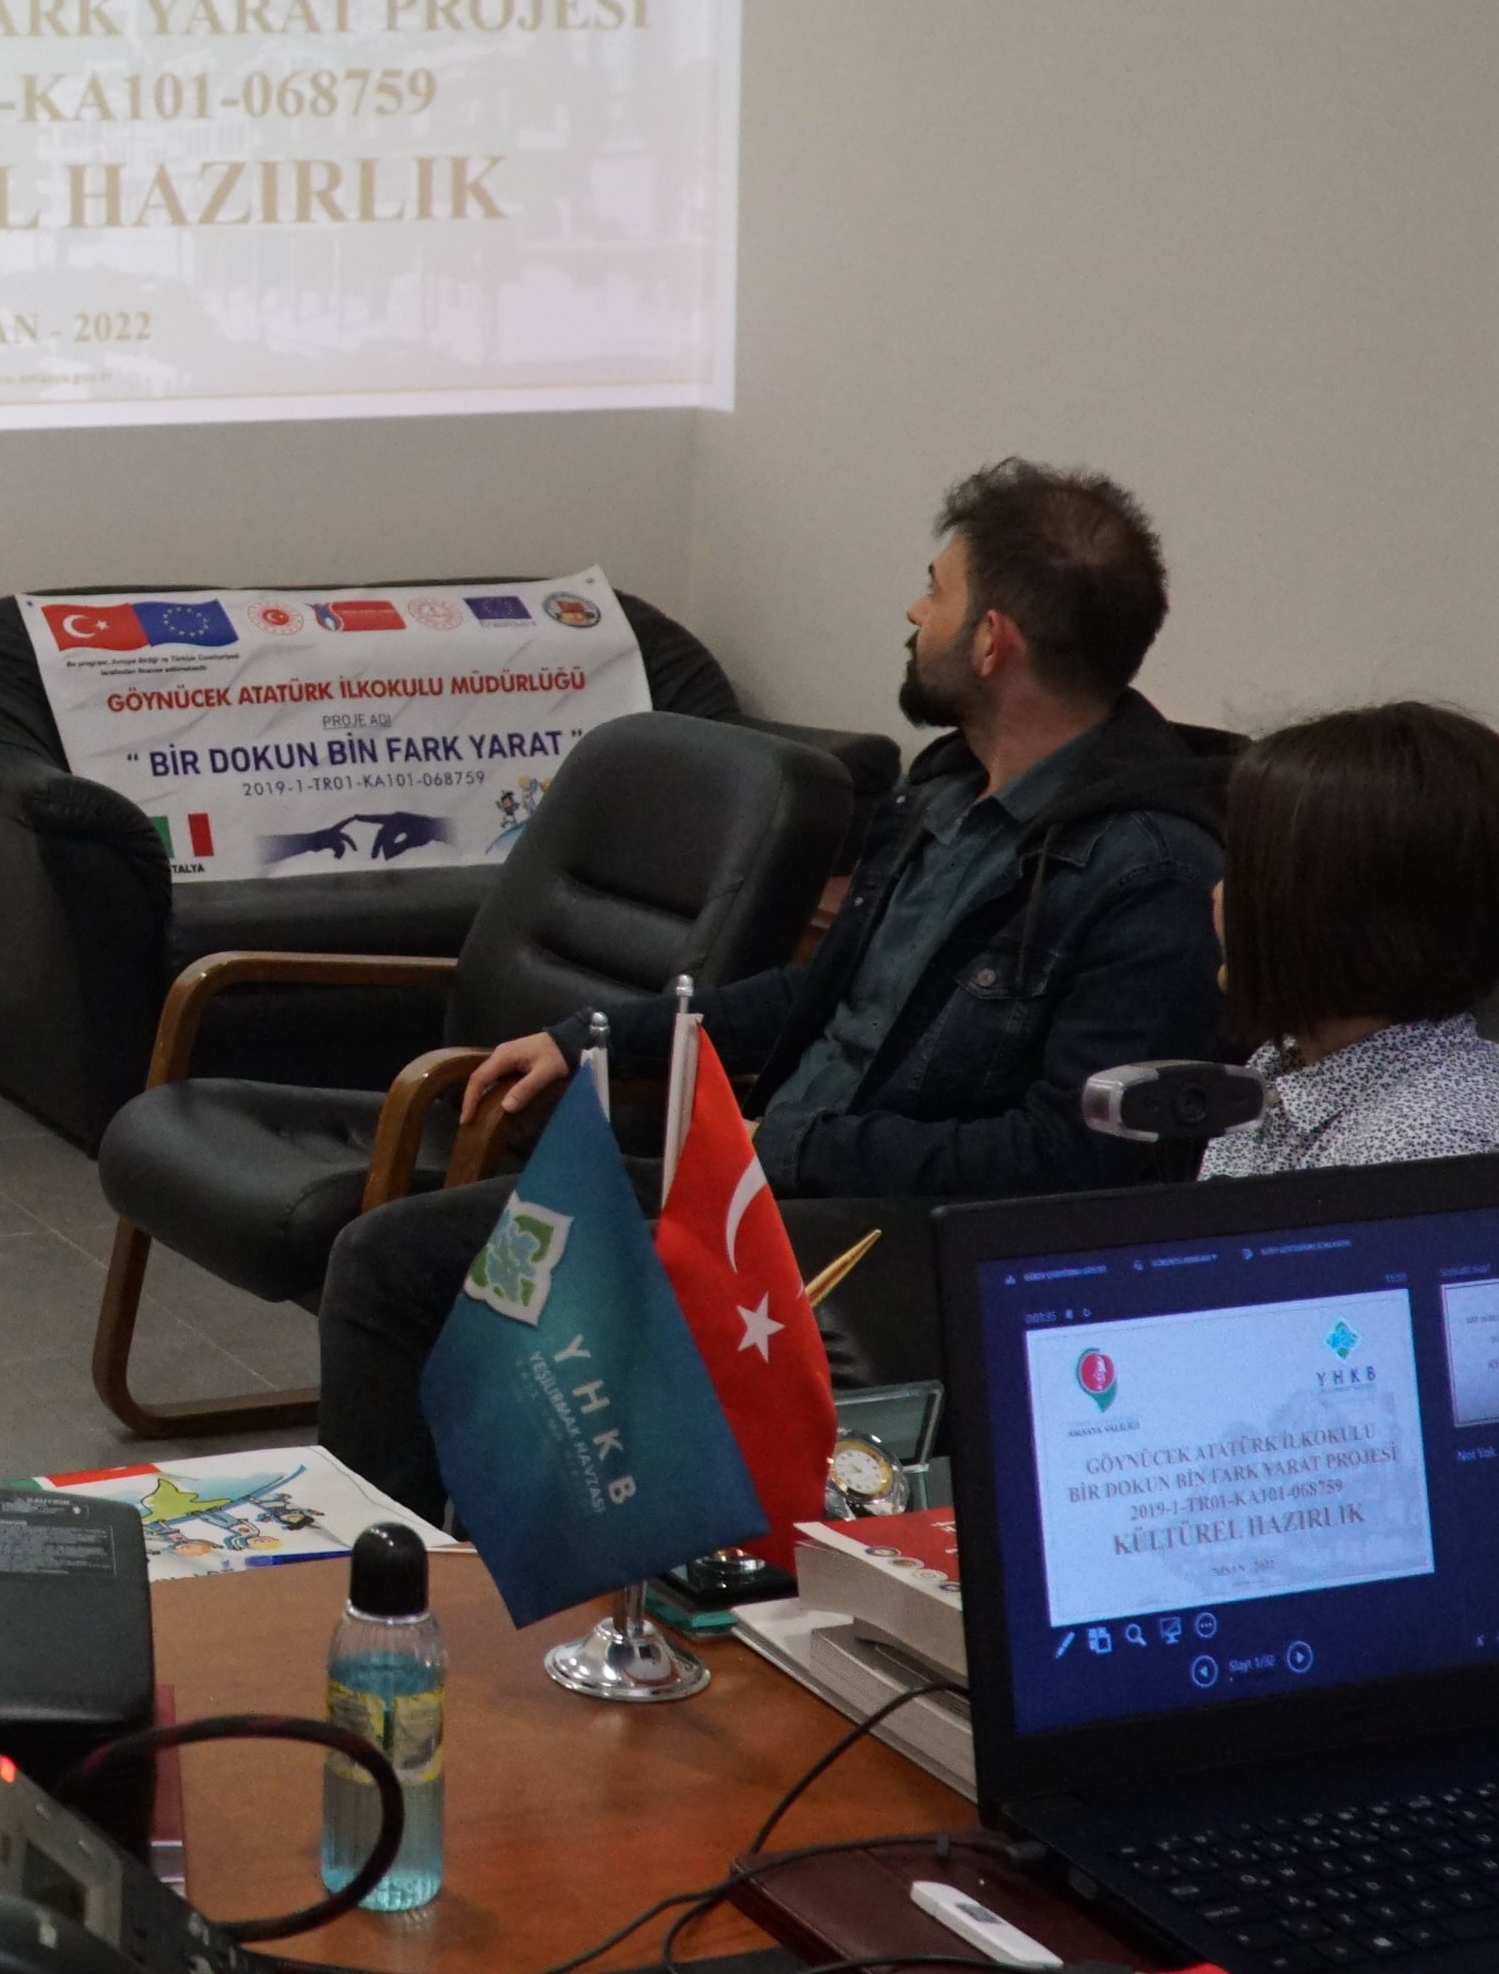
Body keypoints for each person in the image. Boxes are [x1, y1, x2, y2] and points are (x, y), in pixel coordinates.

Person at [317, 461, 1229, 1516]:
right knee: (393, 1258)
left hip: (874, 1230)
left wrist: (788, 1148)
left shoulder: (1149, 871)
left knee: (443, 1284)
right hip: (762, 1178)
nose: (913, 611)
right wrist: (593, 1038)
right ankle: (414, 1565)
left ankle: (458, 1573)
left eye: (934, 590)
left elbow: (1069, 1160)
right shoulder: (945, 788)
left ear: (992, 642)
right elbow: (818, 998)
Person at [1192, 704, 1499, 1176]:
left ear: (1330, 913)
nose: (1217, 893)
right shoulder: (1288, 1069)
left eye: (1241, 869)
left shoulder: (1429, 1154)